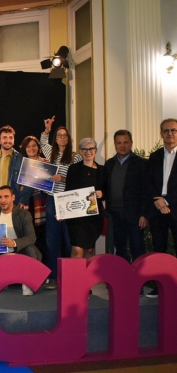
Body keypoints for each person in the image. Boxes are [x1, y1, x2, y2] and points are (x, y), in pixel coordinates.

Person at [40, 117, 82, 289]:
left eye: (65, 135)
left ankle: (70, 276)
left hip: (69, 200)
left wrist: (64, 178)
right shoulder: (51, 154)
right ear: (55, 138)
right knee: (52, 239)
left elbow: (79, 179)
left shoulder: (75, 157)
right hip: (52, 200)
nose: (62, 138)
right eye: (59, 135)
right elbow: (43, 142)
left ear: (69, 138)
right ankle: (54, 277)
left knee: (70, 238)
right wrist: (47, 128)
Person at [144, 118, 177, 298]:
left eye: (173, 130)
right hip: (158, 209)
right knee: (159, 250)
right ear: (161, 134)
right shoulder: (155, 156)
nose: (170, 134)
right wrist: (159, 201)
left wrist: (168, 201)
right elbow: (149, 182)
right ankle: (160, 286)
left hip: (174, 208)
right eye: (166, 131)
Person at [0, 185, 42, 296]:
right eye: (0, 197)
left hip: (19, 250)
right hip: (0, 252)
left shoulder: (24, 214)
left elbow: (31, 237)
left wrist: (14, 243)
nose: (3, 200)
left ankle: (28, 283)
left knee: (31, 249)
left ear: (13, 197)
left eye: (6, 197)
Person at [105, 130, 148, 263]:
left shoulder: (141, 163)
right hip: (115, 214)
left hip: (135, 215)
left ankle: (138, 281)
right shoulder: (109, 164)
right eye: (119, 143)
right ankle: (122, 281)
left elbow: (147, 191)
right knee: (120, 248)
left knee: (137, 247)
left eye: (125, 142)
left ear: (131, 143)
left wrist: (144, 214)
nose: (122, 146)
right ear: (115, 144)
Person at [64, 138, 107, 259]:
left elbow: (107, 191)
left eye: (91, 149)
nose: (88, 152)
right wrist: (62, 211)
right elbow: (68, 192)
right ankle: (75, 277)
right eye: (84, 149)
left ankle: (88, 278)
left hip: (94, 217)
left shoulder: (102, 170)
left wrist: (102, 194)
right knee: (77, 249)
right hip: (76, 216)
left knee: (89, 249)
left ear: (95, 150)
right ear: (80, 151)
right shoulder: (73, 169)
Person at [0, 125, 32, 210]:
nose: (8, 140)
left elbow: (28, 184)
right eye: (4, 137)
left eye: (10, 138)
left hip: (14, 207)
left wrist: (22, 201)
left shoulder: (22, 160)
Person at [20, 136, 47, 264]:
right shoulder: (20, 164)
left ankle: (45, 271)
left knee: (44, 239)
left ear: (38, 147)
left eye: (34, 145)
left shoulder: (46, 162)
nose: (31, 148)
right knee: (31, 239)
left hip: (43, 204)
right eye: (28, 146)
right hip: (27, 205)